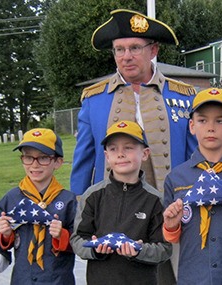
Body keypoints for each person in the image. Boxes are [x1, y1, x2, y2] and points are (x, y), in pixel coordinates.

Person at [70, 8, 197, 196]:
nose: (126, 56)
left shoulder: (183, 97)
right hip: (111, 209)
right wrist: (78, 212)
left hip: (170, 207)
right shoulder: (94, 99)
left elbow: (194, 160)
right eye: (119, 50)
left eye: (135, 48)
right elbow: (83, 164)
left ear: (153, 50)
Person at [162, 88, 222, 284]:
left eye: (220, 121)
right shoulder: (176, 177)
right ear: (191, 126)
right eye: (202, 120)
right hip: (192, 277)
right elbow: (170, 237)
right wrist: (171, 225)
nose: (211, 127)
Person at [70, 120, 172, 284]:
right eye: (113, 148)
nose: (120, 154)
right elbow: (77, 240)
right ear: (106, 156)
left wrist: (139, 251)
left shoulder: (155, 200)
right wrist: (95, 249)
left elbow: (164, 249)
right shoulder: (93, 195)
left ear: (145, 154)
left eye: (128, 148)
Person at [0, 128, 77, 284]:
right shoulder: (10, 199)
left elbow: (80, 241)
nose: (35, 164)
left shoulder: (69, 201)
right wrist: (5, 234)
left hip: (58, 280)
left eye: (43, 158)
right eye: (28, 157)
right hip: (22, 279)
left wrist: (62, 235)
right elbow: (0, 246)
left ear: (58, 162)